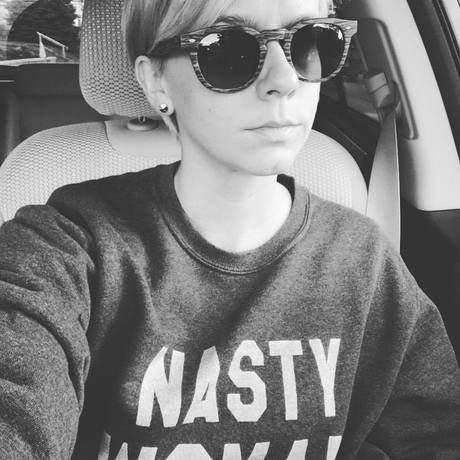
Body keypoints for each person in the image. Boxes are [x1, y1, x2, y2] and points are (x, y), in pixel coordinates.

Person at [0, 0, 459, 458]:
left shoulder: (364, 263)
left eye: (309, 43)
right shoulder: (66, 246)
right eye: (228, 50)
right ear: (156, 80)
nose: (284, 80)